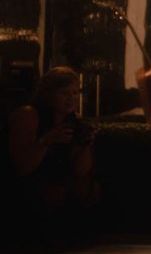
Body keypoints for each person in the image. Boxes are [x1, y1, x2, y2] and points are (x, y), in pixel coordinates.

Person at [8, 66, 98, 218]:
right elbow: (21, 168)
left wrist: (86, 142)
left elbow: (81, 171)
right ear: (48, 94)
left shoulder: (72, 121)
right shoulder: (28, 115)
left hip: (57, 181)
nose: (72, 98)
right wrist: (46, 141)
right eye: (65, 93)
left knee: (88, 187)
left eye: (75, 93)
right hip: (22, 182)